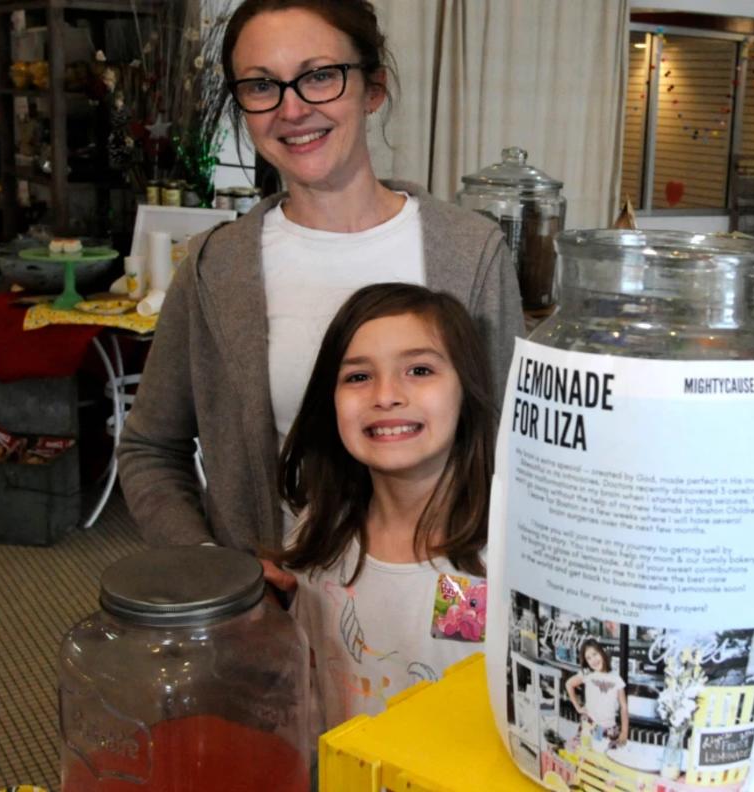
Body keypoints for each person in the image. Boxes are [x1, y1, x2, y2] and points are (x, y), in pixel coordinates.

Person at [116, 0, 523, 565]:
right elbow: (150, 448)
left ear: (372, 88)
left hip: (441, 600)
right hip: (271, 605)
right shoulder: (215, 268)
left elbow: (516, 448)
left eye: (320, 76)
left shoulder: (471, 253)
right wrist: (213, 568)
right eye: (262, 86)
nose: (292, 109)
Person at [276, 283, 493, 731]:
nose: (386, 395)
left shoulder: (493, 562)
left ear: (466, 390)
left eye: (419, 370)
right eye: (358, 377)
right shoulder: (318, 535)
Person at [566, 638, 629, 748]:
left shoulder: (616, 678)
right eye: (588, 658)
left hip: (609, 729)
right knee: (583, 755)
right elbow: (569, 684)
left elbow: (623, 706)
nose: (593, 660)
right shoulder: (587, 674)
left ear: (601, 652)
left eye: (595, 654)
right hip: (589, 725)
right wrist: (578, 707)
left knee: (606, 757)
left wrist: (624, 731)